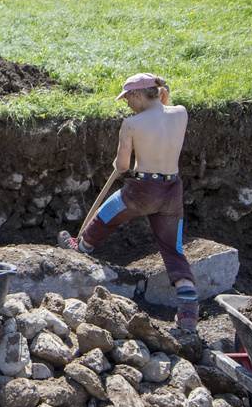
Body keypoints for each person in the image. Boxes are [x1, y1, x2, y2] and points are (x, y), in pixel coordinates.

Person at [58, 73, 200, 330]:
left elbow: (122, 166)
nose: (126, 105)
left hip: (143, 190)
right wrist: (161, 94)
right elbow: (165, 104)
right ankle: (189, 312)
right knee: (173, 249)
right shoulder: (181, 113)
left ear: (137, 95)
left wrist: (117, 162)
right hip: (172, 190)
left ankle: (81, 247)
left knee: (104, 214)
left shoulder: (132, 124)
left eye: (127, 99)